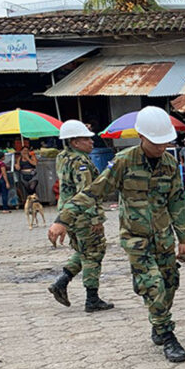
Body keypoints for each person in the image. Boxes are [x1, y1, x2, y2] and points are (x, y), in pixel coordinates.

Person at [49, 106, 185, 363]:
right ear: (141, 136)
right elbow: (94, 191)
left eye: (165, 142)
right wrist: (63, 220)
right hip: (136, 239)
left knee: (170, 284)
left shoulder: (170, 163)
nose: (161, 147)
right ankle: (167, 335)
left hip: (164, 238)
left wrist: (182, 239)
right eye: (156, 142)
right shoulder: (124, 161)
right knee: (154, 286)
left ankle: (157, 321)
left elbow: (177, 203)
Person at [47, 120, 113, 313]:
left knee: (83, 251)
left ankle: (61, 282)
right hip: (83, 214)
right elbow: (87, 192)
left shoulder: (62, 157)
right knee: (93, 252)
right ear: (74, 142)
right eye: (86, 139)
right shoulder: (81, 162)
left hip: (67, 214)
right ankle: (91, 298)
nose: (91, 142)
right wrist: (96, 219)